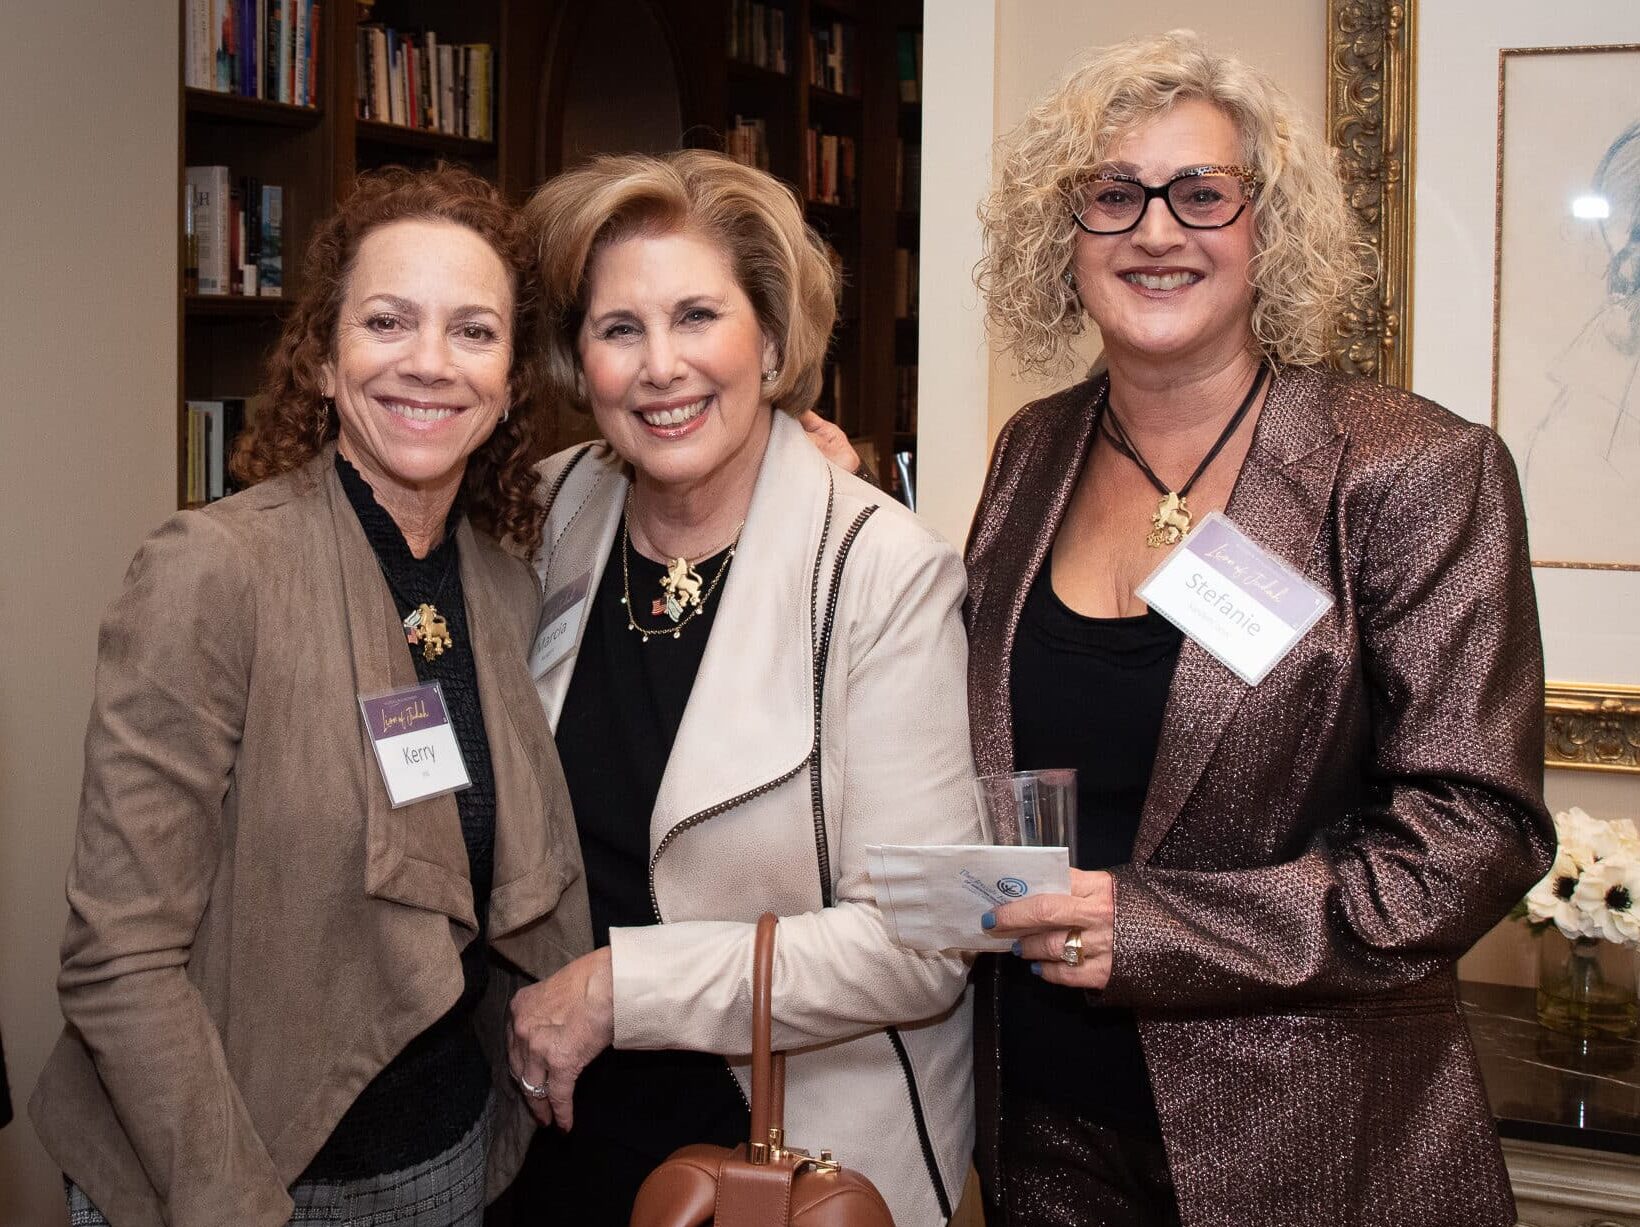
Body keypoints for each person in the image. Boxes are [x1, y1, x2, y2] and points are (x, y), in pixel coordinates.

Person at [966, 31, 1553, 1227]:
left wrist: (1158, 929)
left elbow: (1471, 832)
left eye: (1201, 194)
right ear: (1060, 235)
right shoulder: (1031, 450)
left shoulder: (1407, 470)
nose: (1155, 230)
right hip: (1040, 1132)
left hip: (1314, 1142)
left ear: (1264, 230)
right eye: (1111, 194)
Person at [29, 166, 591, 1226]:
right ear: (326, 363)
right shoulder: (215, 571)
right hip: (226, 1174)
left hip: (446, 1160)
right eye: (388, 322)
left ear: (511, 380)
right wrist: (236, 1204)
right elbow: (119, 958)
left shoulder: (502, 589)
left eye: (473, 332)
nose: (429, 363)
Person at [505, 150, 982, 1226]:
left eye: (696, 317)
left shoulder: (884, 569)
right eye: (618, 329)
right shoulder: (552, 509)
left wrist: (625, 990)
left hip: (778, 1146)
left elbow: (929, 941)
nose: (659, 366)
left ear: (768, 340)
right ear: (580, 363)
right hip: (550, 1130)